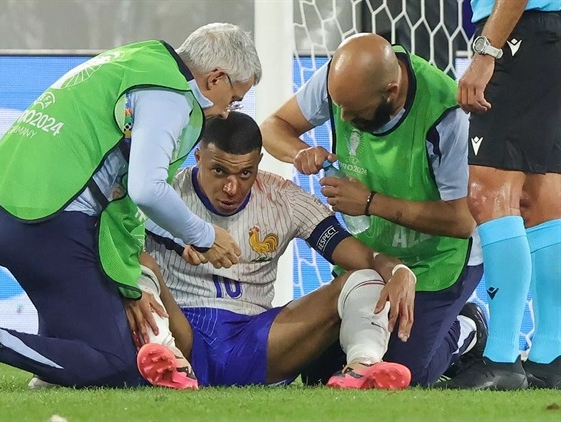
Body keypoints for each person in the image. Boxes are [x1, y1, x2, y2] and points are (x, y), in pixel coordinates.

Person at [0, 22, 261, 390]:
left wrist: (172, 238)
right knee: (119, 364)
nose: (227, 111)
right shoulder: (171, 95)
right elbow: (145, 189)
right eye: (234, 98)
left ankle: (54, 375)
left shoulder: (140, 59)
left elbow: (116, 191)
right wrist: (202, 235)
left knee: (80, 347)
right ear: (215, 78)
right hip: (45, 221)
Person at [142, 112, 480, 389]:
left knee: (363, 277)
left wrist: (395, 269)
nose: (231, 187)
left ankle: (364, 365)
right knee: (137, 266)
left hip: (257, 338)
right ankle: (166, 358)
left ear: (259, 162)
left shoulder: (283, 199)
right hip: (181, 326)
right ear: (198, 156)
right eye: (219, 171)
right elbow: (116, 236)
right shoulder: (164, 195)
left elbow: (356, 253)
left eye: (245, 173)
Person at [260, 33, 485, 387]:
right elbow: (273, 127)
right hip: (370, 258)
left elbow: (463, 219)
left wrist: (369, 203)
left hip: (436, 262)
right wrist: (299, 152)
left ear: (391, 92)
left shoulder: (446, 115)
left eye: (356, 111)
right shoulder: (341, 80)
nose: (344, 118)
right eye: (339, 108)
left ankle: (467, 326)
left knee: (404, 374)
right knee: (317, 373)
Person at [438, 0, 561, 390]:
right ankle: (549, 356)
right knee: (543, 197)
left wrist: (487, 51)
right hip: (549, 37)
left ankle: (502, 358)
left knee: (489, 192)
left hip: (519, 33)